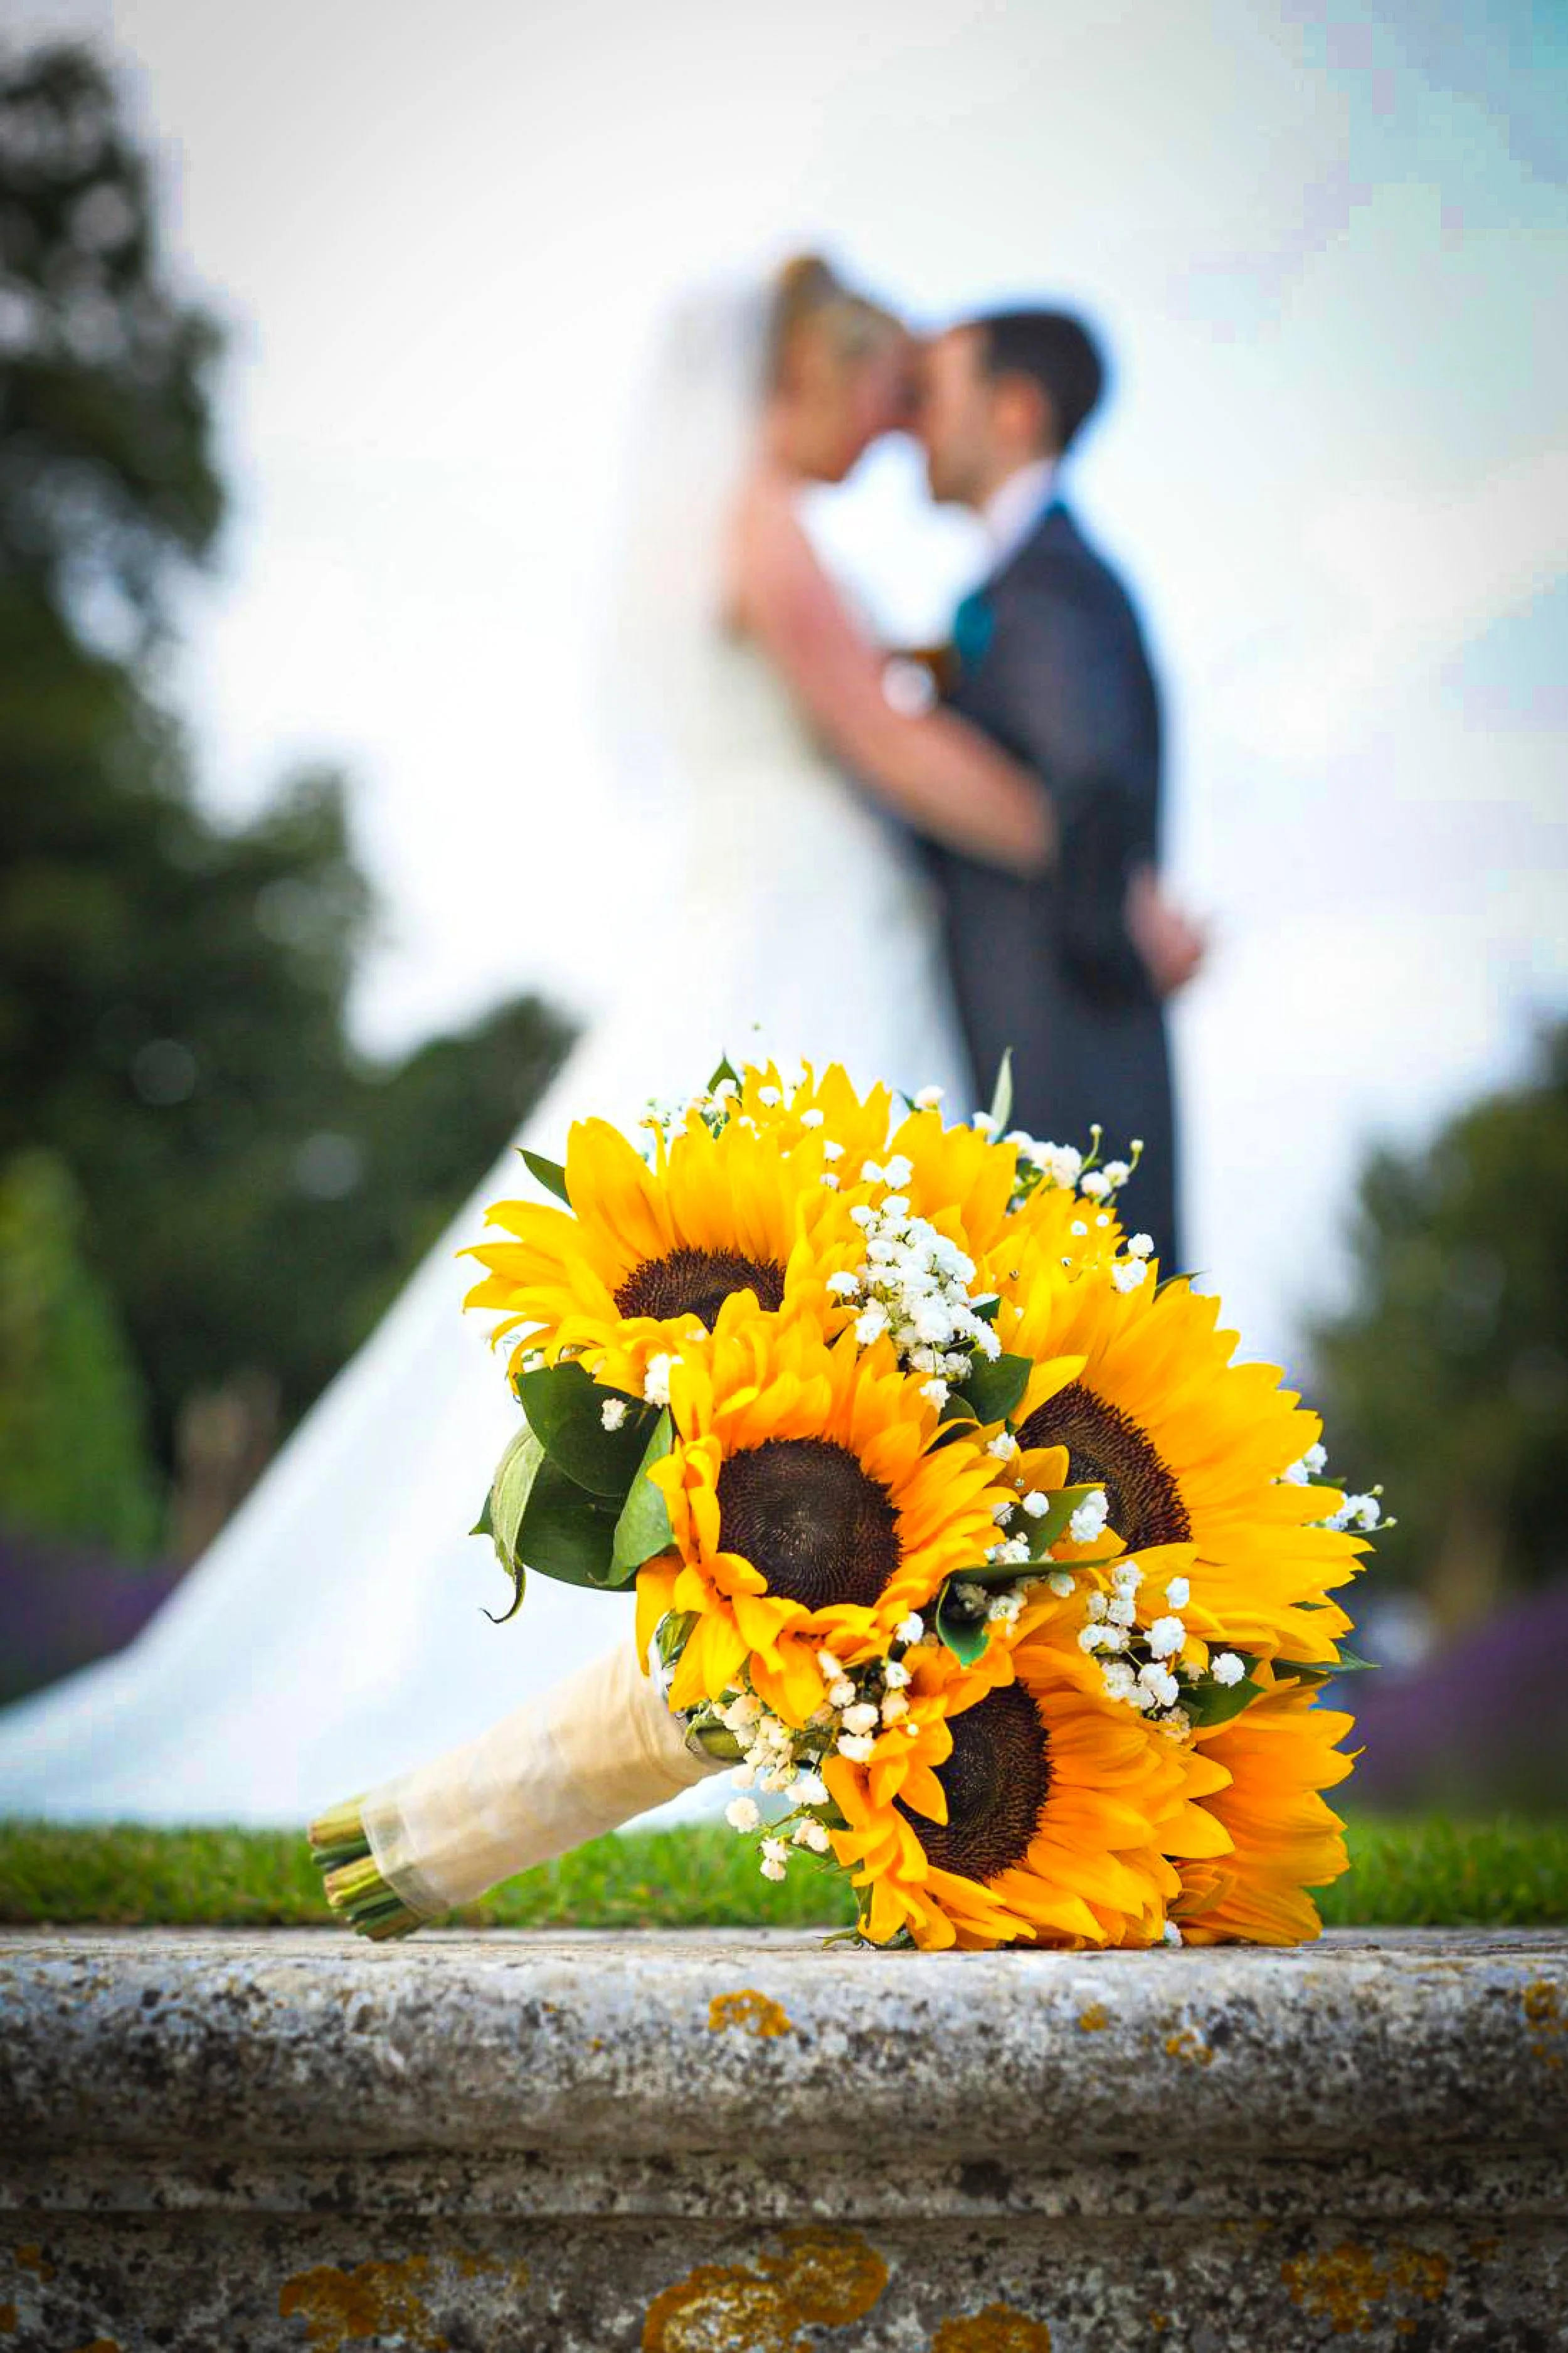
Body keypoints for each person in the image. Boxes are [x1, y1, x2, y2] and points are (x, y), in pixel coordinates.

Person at [0, 259, 1067, 1823]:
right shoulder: (764, 525)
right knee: (770, 1282)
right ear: (807, 379)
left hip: (784, 913)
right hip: (797, 925)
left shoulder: (741, 528)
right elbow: (886, 744)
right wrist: (1079, 853)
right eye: (875, 391)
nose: (886, 428)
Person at [913, 307, 1204, 1267]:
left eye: (937, 391)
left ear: (1014, 411)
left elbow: (1091, 783)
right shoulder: (1032, 577)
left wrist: (1119, 926)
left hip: (1061, 1055)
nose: (917, 418)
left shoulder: (1050, 582)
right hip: (1042, 1045)